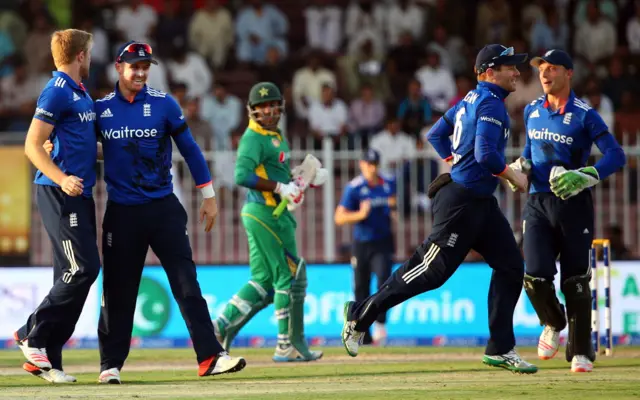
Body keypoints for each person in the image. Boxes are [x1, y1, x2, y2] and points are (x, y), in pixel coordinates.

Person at [341, 44, 538, 374]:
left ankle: (500, 347)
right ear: (489, 72)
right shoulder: (490, 103)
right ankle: (361, 314)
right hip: (461, 203)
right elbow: (488, 155)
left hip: (480, 202)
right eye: (509, 67)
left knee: (510, 266)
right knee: (431, 272)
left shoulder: (471, 100)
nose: (517, 72)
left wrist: (456, 161)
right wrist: (512, 175)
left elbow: (436, 134)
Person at [93, 41, 246, 383]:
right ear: (119, 68)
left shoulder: (164, 104)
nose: (141, 72)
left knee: (186, 283)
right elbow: (81, 145)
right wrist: (52, 146)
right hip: (122, 212)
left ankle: (210, 356)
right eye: (135, 66)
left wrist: (208, 195)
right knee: (118, 290)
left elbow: (190, 149)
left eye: (146, 66)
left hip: (163, 208)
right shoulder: (100, 109)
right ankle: (110, 365)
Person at [514, 49, 626, 373]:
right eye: (541, 69)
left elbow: (616, 156)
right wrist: (519, 168)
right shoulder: (532, 111)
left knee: (575, 281)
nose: (544, 74)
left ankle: (581, 352)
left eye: (552, 68)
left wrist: (585, 175)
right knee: (534, 276)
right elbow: (528, 153)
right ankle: (552, 321)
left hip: (573, 205)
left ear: (569, 74)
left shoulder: (584, 114)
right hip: (537, 202)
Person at [212, 81, 325, 362]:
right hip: (264, 214)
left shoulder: (275, 135)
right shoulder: (253, 137)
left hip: (267, 213)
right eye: (262, 106)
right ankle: (286, 345)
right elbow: (241, 175)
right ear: (252, 110)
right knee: (289, 276)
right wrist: (279, 188)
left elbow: (275, 171)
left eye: (272, 104)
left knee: (263, 283)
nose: (268, 110)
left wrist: (298, 180)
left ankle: (220, 325)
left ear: (281, 107)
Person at [15, 28, 97, 384]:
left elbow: (70, 142)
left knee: (70, 274)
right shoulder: (58, 91)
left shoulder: (79, 92)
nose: (91, 59)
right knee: (82, 270)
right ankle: (31, 333)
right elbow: (32, 145)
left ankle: (48, 360)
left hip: (79, 192)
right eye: (89, 53)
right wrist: (61, 177)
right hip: (60, 192)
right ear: (80, 55)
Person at [334, 148, 396, 345]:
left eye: (375, 164)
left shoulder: (388, 183)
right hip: (362, 243)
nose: (372, 168)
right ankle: (363, 332)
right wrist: (360, 214)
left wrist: (393, 211)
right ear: (362, 164)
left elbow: (393, 207)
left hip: (383, 241)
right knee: (361, 287)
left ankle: (380, 324)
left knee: (384, 282)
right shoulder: (354, 188)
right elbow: (339, 217)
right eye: (368, 164)